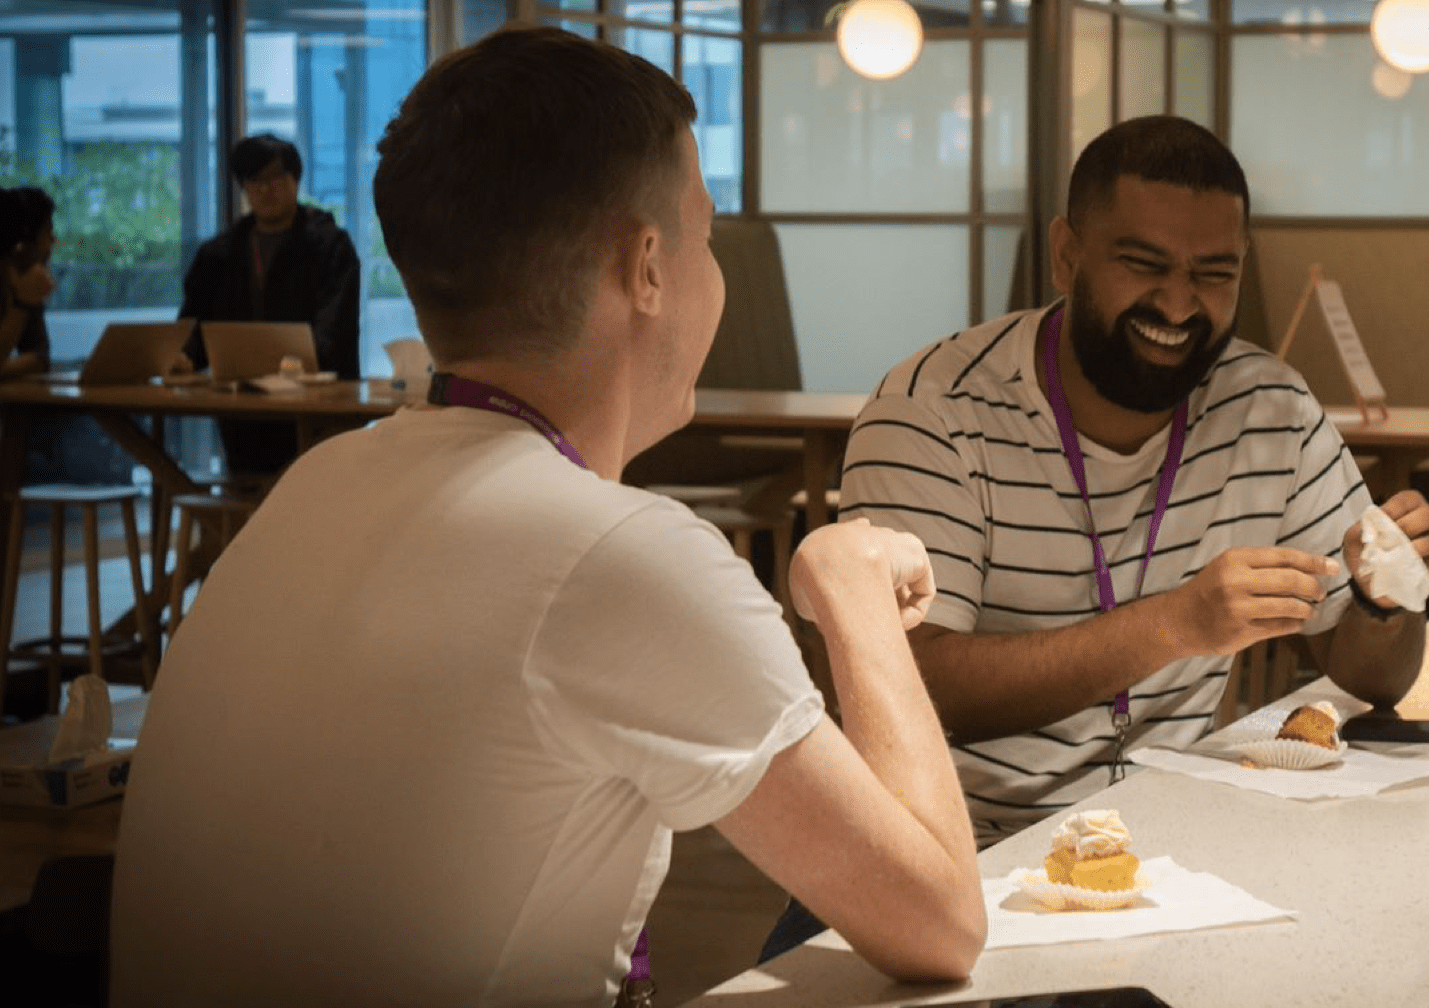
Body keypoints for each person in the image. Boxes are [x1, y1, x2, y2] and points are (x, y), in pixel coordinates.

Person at [111, 27, 983, 1006]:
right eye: (706, 232)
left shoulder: (315, 486)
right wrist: (853, 593)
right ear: (646, 266)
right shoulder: (623, 556)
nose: (718, 277)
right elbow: (940, 924)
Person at [839, 115, 1429, 846]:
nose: (1178, 304)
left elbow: (1372, 679)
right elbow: (909, 684)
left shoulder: (1271, 411)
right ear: (1067, 256)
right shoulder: (932, 412)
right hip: (946, 850)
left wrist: (1389, 598)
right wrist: (1177, 624)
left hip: (1167, 844)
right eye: (1144, 265)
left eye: (1212, 273)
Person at [178, 133, 361, 475]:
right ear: (243, 187)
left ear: (296, 180)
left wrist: (303, 359)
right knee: (247, 484)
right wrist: (182, 358)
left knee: (311, 491)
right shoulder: (219, 254)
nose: (267, 188)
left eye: (277, 176)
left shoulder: (328, 245)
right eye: (255, 180)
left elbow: (335, 326)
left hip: (318, 406)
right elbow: (193, 329)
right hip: (241, 407)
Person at [0, 186, 55, 379]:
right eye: (47, 230)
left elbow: (39, 358)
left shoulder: (25, 280)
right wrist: (23, 305)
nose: (53, 241)